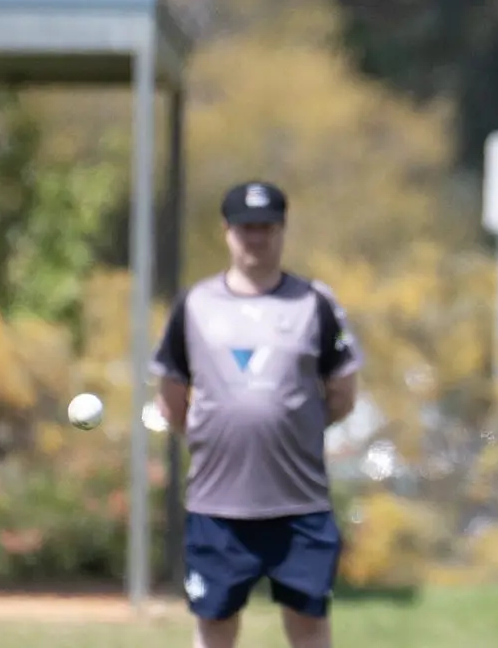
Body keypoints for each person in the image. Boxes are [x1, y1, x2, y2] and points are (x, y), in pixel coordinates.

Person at [151, 180, 363, 648]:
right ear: (227, 231)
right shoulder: (195, 305)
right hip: (217, 504)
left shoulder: (314, 303)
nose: (256, 238)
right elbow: (172, 394)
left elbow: (342, 392)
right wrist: (216, 433)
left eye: (266, 227)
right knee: (216, 623)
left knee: (308, 624)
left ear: (282, 230)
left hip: (299, 503)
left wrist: (292, 427)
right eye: (246, 228)